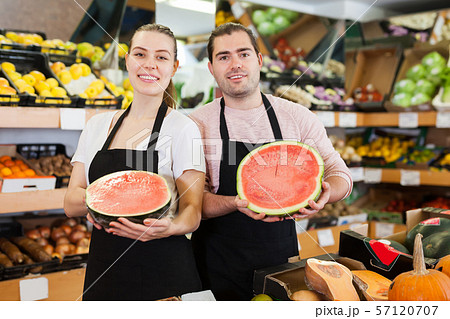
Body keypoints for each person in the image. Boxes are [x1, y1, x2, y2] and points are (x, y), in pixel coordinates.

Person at [189, 23, 353, 301]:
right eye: (224, 57)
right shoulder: (196, 124)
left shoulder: (297, 117)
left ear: (259, 60)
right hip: (215, 265)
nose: (235, 64)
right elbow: (193, 202)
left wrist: (326, 193)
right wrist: (235, 202)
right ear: (211, 68)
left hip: (281, 264)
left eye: (243, 54)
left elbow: (341, 176)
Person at [64, 24, 206, 301]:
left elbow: (193, 210)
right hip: (104, 272)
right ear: (127, 59)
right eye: (140, 54)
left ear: (174, 67)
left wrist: (172, 227)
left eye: (161, 57)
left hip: (164, 275)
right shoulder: (97, 126)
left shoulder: (182, 128)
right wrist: (112, 199)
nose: (149, 65)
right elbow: (70, 202)